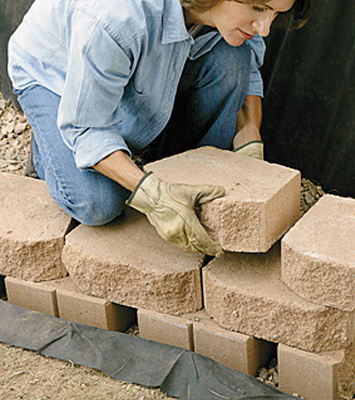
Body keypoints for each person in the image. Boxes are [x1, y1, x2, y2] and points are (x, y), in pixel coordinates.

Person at [8, 0, 318, 256]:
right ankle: (48, 142)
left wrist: (249, 134)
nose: (265, 27)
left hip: (132, 56)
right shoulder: (115, 16)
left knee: (232, 56)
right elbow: (87, 127)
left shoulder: (225, 14)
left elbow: (246, 64)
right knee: (98, 204)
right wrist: (154, 196)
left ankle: (186, 180)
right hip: (56, 77)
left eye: (275, 13)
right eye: (258, 8)